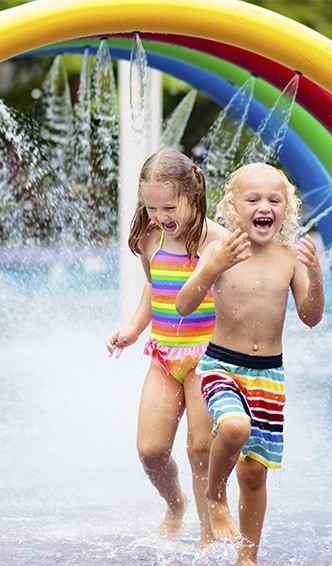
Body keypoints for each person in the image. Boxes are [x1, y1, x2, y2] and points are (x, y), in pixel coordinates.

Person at [175, 162, 325, 566]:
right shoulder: (221, 250)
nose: (264, 206)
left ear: (287, 209)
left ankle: (249, 556)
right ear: (233, 207)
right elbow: (183, 306)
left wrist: (315, 275)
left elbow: (310, 317)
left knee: (256, 474)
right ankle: (215, 496)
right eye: (253, 199)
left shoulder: (290, 258)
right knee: (235, 428)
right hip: (222, 365)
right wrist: (212, 267)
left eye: (274, 200)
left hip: (268, 375)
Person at [106, 148, 237, 545]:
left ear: (192, 194)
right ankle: (174, 501)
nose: (161, 217)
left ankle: (207, 532)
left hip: (207, 357)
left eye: (169, 207)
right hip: (164, 356)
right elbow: (154, 285)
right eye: (151, 207)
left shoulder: (218, 241)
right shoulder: (150, 239)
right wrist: (133, 327)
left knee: (201, 448)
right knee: (150, 450)